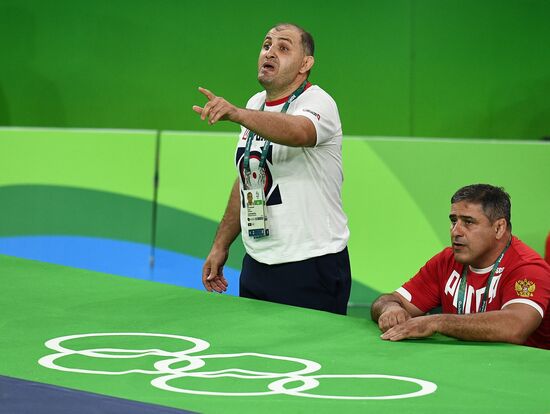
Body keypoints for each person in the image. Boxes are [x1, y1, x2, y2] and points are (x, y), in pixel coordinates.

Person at [192, 23, 351, 314]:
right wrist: (220, 245)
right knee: (257, 357)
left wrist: (237, 114)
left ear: (306, 63)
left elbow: (299, 133)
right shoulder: (256, 105)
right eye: (267, 45)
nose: (271, 52)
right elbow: (247, 179)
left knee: (312, 359)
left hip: (312, 265)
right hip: (258, 263)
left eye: (284, 47)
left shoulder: (318, 102)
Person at [371, 184, 550, 349]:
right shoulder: (446, 260)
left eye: (468, 222)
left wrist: (437, 322)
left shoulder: (527, 268)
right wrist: (391, 309)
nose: (455, 231)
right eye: (453, 221)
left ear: (499, 228)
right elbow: (390, 300)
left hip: (524, 375)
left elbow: (515, 326)